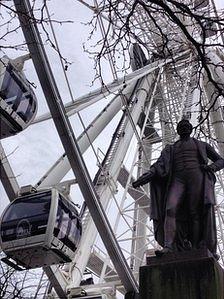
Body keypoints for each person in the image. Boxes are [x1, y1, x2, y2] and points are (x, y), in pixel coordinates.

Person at [132, 119, 224, 258]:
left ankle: (196, 246)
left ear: (191, 129)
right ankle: (168, 246)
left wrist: (211, 167)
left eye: (187, 126)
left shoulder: (202, 145)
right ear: (178, 130)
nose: (184, 128)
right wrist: (147, 176)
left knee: (195, 213)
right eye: (181, 126)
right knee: (170, 208)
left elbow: (221, 160)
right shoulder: (171, 149)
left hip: (196, 176)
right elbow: (159, 166)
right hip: (178, 179)